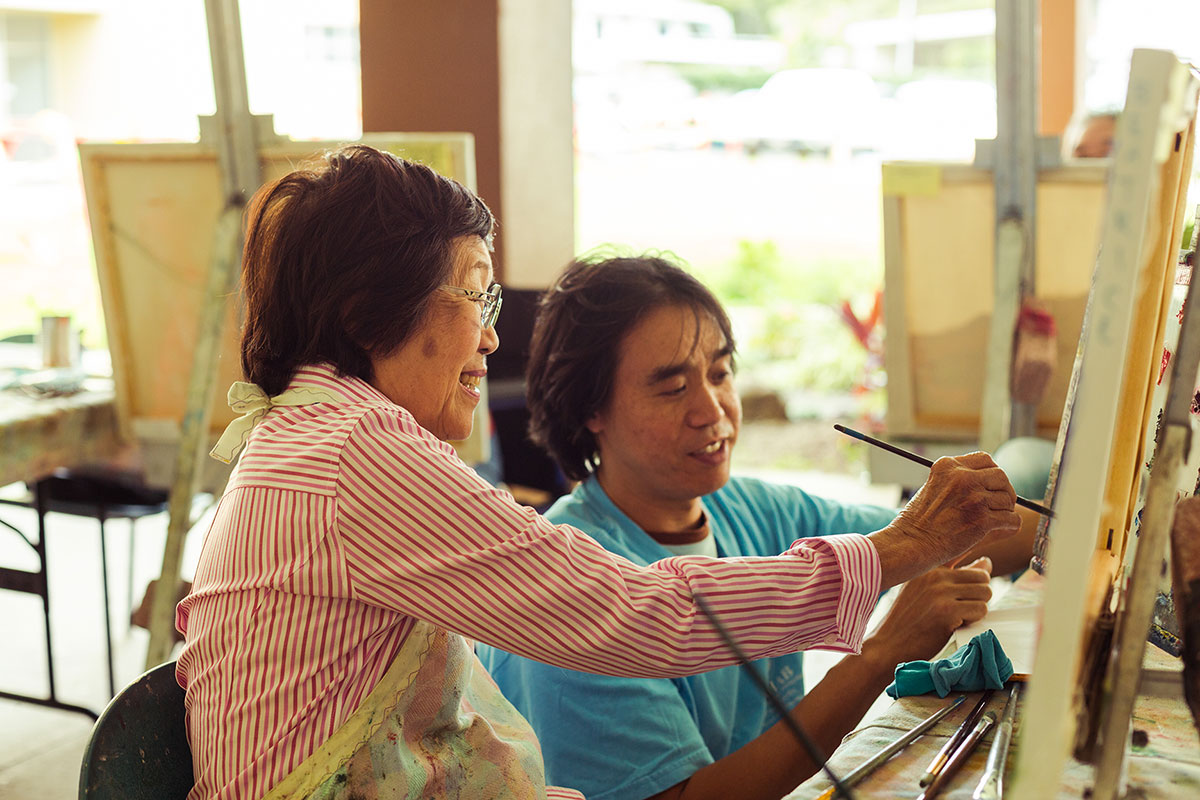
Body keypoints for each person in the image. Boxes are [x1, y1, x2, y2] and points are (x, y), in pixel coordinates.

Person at [175, 145, 1022, 800]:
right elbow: (628, 616)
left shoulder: (317, 436)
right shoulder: (355, 452)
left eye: (720, 372)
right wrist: (895, 553)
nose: (490, 338)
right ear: (368, 313)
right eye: (475, 298)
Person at [478, 255, 1039, 800]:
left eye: (720, 373)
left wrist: (1093, 518)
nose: (712, 411)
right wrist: (880, 655)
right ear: (589, 410)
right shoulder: (569, 588)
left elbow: (952, 536)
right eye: (672, 388)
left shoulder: (753, 510)